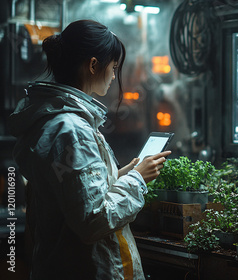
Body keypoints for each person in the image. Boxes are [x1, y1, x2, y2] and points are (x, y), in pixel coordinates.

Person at [8, 20, 168, 280]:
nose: (115, 76)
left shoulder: (58, 121)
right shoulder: (71, 130)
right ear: (94, 65)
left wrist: (122, 174)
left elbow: (74, 193)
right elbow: (93, 219)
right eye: (113, 67)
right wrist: (138, 180)